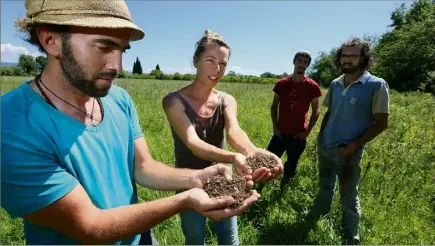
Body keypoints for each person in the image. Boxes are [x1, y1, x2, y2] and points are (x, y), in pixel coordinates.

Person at [0, 1, 261, 245]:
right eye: (104, 47)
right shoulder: (12, 124)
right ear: (50, 41)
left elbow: (143, 167)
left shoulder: (118, 99)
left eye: (122, 50)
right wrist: (185, 201)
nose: (118, 66)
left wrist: (199, 178)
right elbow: (90, 226)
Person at [162, 29, 284, 245]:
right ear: (195, 61)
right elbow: (193, 143)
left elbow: (234, 131)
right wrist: (232, 157)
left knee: (229, 239)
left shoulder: (226, 99)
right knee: (194, 239)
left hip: (226, 181)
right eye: (210, 60)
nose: (217, 69)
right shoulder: (173, 101)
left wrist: (252, 151)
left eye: (223, 64)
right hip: (189, 183)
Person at [307, 38, 390, 245]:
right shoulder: (335, 84)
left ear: (364, 58)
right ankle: (319, 214)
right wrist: (320, 136)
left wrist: (354, 146)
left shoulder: (376, 85)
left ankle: (350, 237)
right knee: (325, 186)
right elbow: (329, 112)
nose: (348, 59)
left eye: (354, 55)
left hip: (348, 152)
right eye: (345, 55)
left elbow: (381, 123)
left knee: (349, 196)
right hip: (325, 146)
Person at [262, 50, 322, 192]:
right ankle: (260, 186)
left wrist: (307, 132)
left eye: (305, 62)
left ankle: (283, 190)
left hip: (298, 135)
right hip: (280, 132)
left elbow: (316, 111)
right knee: (268, 161)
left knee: (291, 164)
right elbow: (274, 105)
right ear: (294, 62)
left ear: (308, 65)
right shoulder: (282, 84)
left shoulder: (312, 86)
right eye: (299, 61)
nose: (302, 64)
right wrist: (275, 127)